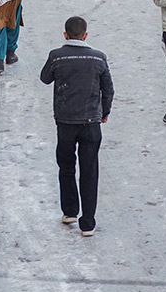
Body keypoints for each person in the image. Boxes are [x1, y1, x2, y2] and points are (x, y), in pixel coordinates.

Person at [40, 15, 114, 237]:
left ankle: (70, 210)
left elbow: (45, 78)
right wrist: (105, 112)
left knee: (66, 166)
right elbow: (108, 89)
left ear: (65, 35)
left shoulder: (57, 56)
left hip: (65, 122)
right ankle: (88, 222)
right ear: (86, 35)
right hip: (91, 121)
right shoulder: (99, 58)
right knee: (90, 170)